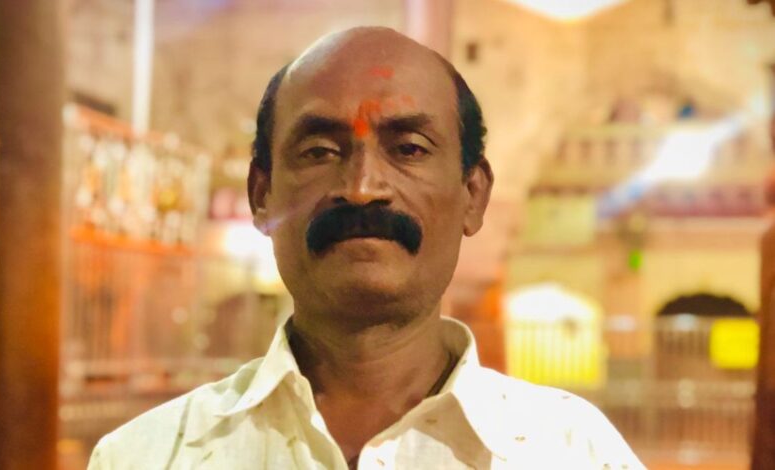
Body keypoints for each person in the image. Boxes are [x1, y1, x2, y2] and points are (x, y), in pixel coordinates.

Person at [88, 26, 644, 469]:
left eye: (409, 148)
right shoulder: (148, 457)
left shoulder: (574, 452)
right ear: (262, 195)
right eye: (319, 151)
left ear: (473, 195)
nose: (361, 188)